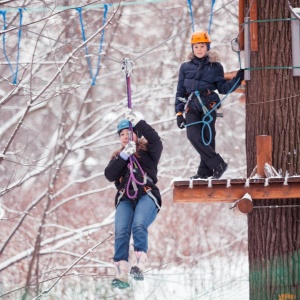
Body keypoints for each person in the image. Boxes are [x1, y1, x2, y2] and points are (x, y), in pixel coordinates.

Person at [104, 108, 163, 289]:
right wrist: (124, 155)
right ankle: (121, 270)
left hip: (146, 194)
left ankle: (139, 262)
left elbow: (156, 140)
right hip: (126, 198)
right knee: (121, 231)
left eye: (128, 133)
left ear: (136, 135)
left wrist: (137, 121)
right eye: (121, 134)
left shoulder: (148, 152)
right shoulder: (118, 157)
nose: (124, 137)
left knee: (138, 224)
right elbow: (109, 174)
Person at [175, 30, 244, 179]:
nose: (199, 49)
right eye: (196, 47)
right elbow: (180, 91)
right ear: (192, 48)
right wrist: (179, 114)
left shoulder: (215, 66)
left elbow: (223, 88)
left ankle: (204, 172)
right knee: (193, 136)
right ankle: (218, 164)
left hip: (208, 103)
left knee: (207, 138)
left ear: (207, 47)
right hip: (192, 105)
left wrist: (237, 79)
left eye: (202, 46)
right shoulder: (185, 67)